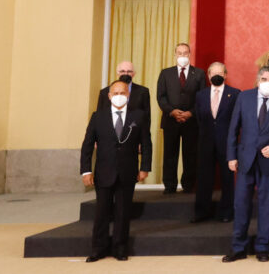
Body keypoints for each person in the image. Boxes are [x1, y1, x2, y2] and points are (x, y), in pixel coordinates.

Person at [223, 66, 269, 263]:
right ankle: (238, 247)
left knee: (266, 206)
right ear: (257, 80)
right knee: (241, 205)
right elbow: (233, 128)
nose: (268, 82)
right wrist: (231, 156)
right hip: (245, 160)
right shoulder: (244, 97)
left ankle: (263, 248)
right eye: (264, 78)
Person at [80, 79, 152, 262]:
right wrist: (85, 170)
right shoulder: (98, 116)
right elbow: (87, 145)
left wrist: (145, 167)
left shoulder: (138, 116)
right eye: (116, 93)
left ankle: (120, 248)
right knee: (102, 212)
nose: (119, 96)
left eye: (123, 93)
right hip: (104, 171)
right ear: (109, 96)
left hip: (128, 172)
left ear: (128, 96)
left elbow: (146, 143)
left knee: (123, 212)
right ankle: (98, 248)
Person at [192, 62, 239, 223]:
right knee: (204, 178)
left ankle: (227, 212)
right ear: (209, 75)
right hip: (205, 142)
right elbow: (199, 118)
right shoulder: (201, 95)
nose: (216, 75)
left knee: (227, 178)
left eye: (220, 73)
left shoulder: (235, 94)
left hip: (227, 143)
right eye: (213, 73)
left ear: (225, 75)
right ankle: (201, 212)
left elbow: (237, 120)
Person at [155, 42, 205, 193]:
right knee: (170, 154)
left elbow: (203, 98)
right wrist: (172, 111)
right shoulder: (165, 73)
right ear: (175, 54)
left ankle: (188, 185)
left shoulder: (200, 73)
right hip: (171, 120)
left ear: (190, 55)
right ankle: (169, 186)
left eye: (185, 53)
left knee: (190, 155)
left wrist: (191, 112)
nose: (182, 56)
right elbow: (161, 97)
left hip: (192, 121)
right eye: (180, 53)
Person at [96, 61, 151, 129]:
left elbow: (146, 118)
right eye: (122, 71)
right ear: (117, 73)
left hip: (134, 132)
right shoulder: (104, 92)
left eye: (129, 71)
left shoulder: (143, 92)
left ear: (134, 74)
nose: (126, 74)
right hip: (109, 131)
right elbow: (99, 116)